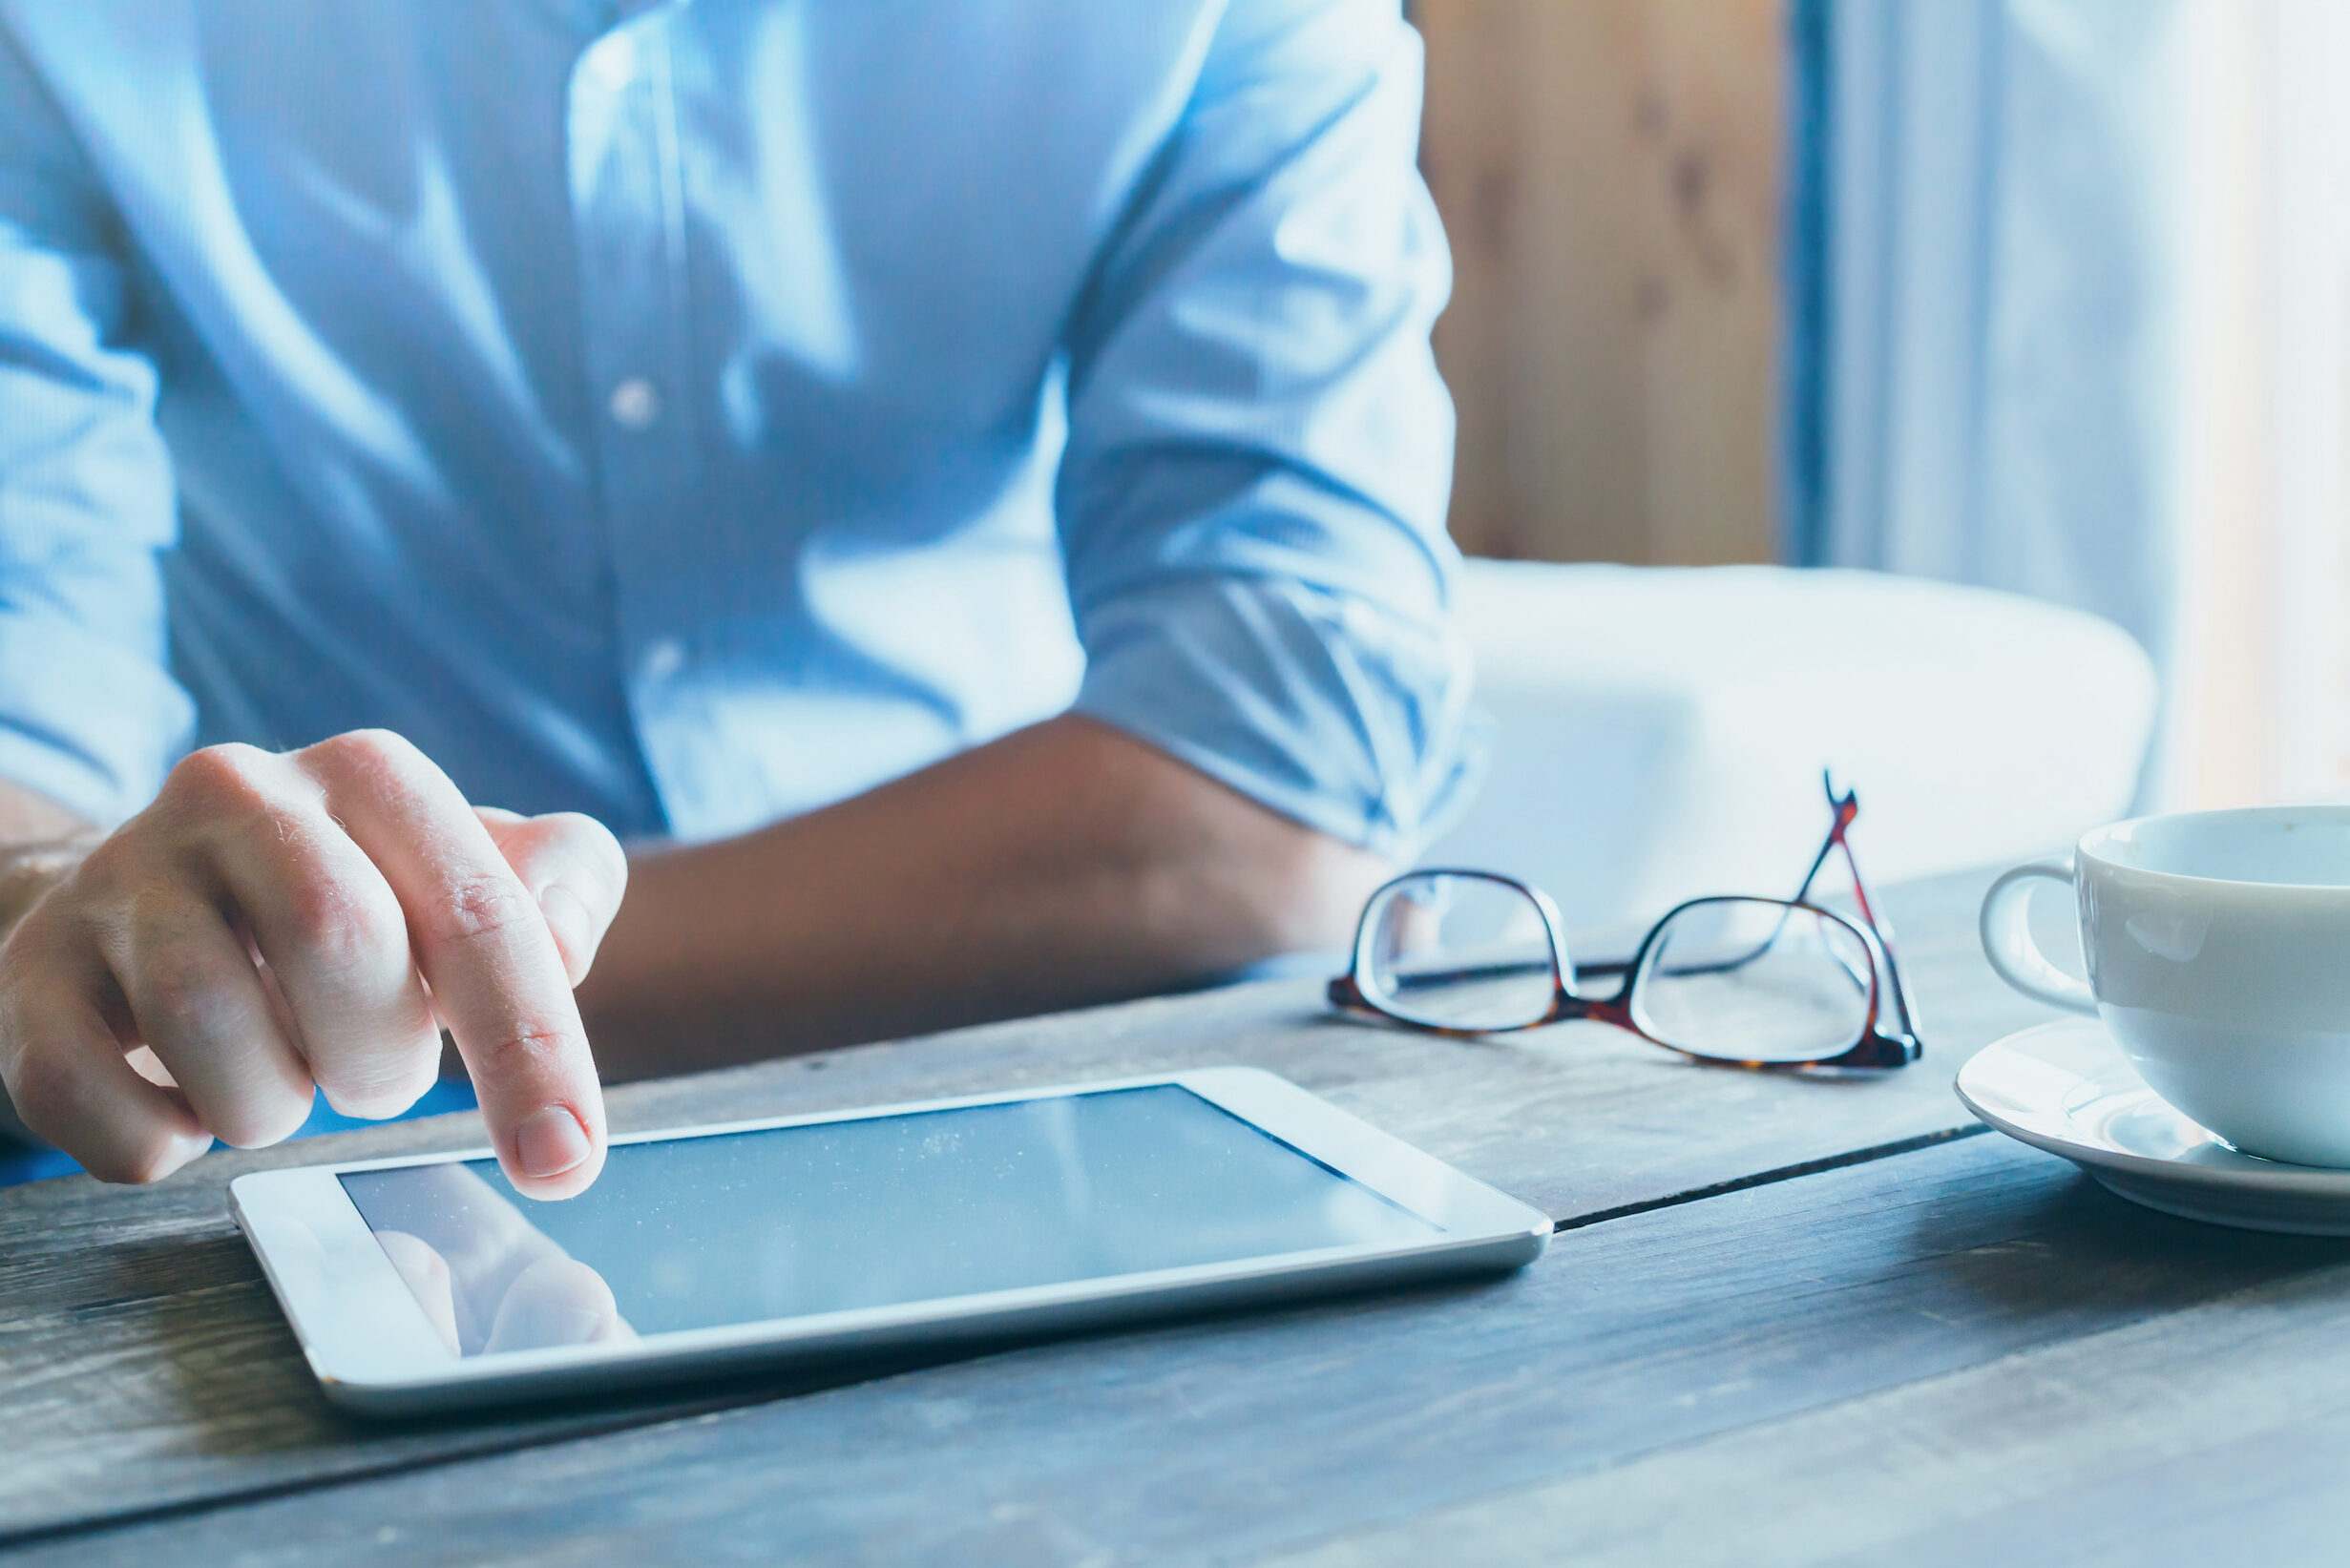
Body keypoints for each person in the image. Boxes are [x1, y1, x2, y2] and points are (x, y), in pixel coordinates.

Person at [0, 0, 1474, 1197]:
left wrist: (409, 966)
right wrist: (72, 921)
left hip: (1018, 1096)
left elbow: (1269, 796)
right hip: (288, 1145)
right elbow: (24, 723)